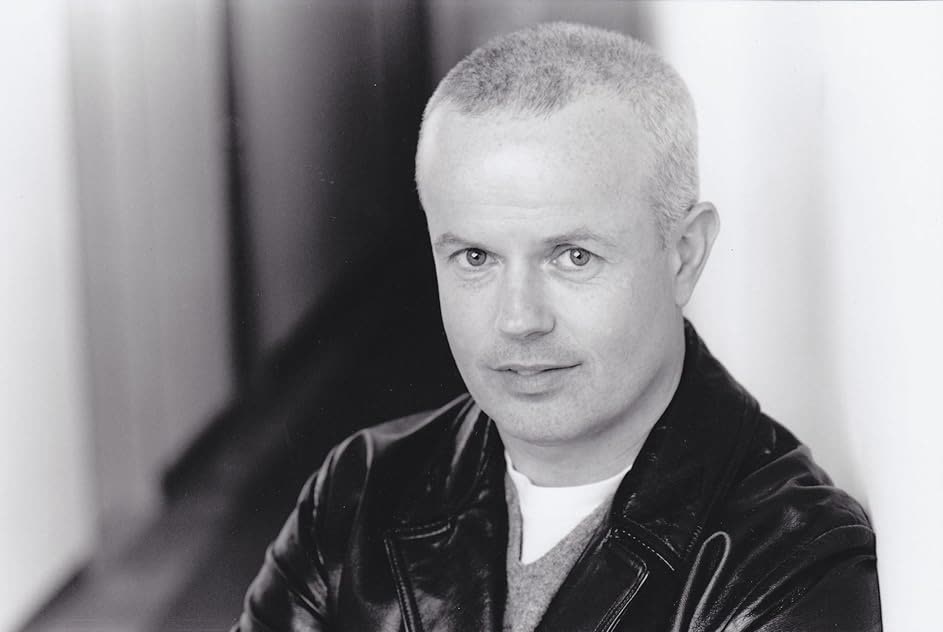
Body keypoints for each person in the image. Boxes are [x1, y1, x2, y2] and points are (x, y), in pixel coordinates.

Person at [233, 22, 881, 631]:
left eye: (573, 257)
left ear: (684, 254)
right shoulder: (358, 491)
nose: (519, 320)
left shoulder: (791, 561)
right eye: (475, 257)